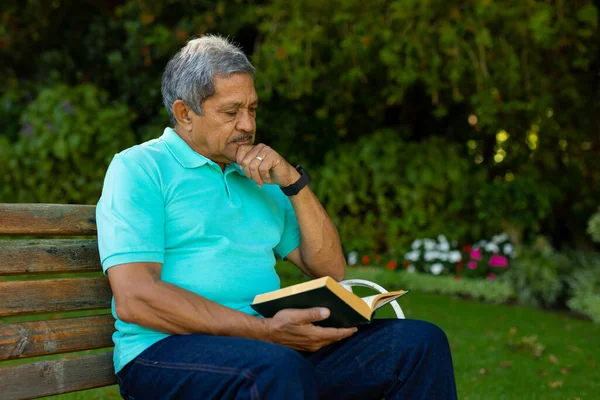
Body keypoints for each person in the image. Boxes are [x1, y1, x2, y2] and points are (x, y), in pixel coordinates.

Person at [96, 34, 457, 400]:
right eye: (231, 111)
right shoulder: (140, 168)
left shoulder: (258, 177)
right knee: (275, 369)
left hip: (268, 345)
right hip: (166, 350)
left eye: (252, 110)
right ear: (184, 113)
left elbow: (330, 270)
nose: (247, 125)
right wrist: (265, 332)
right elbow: (136, 298)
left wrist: (293, 182)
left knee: (418, 344)